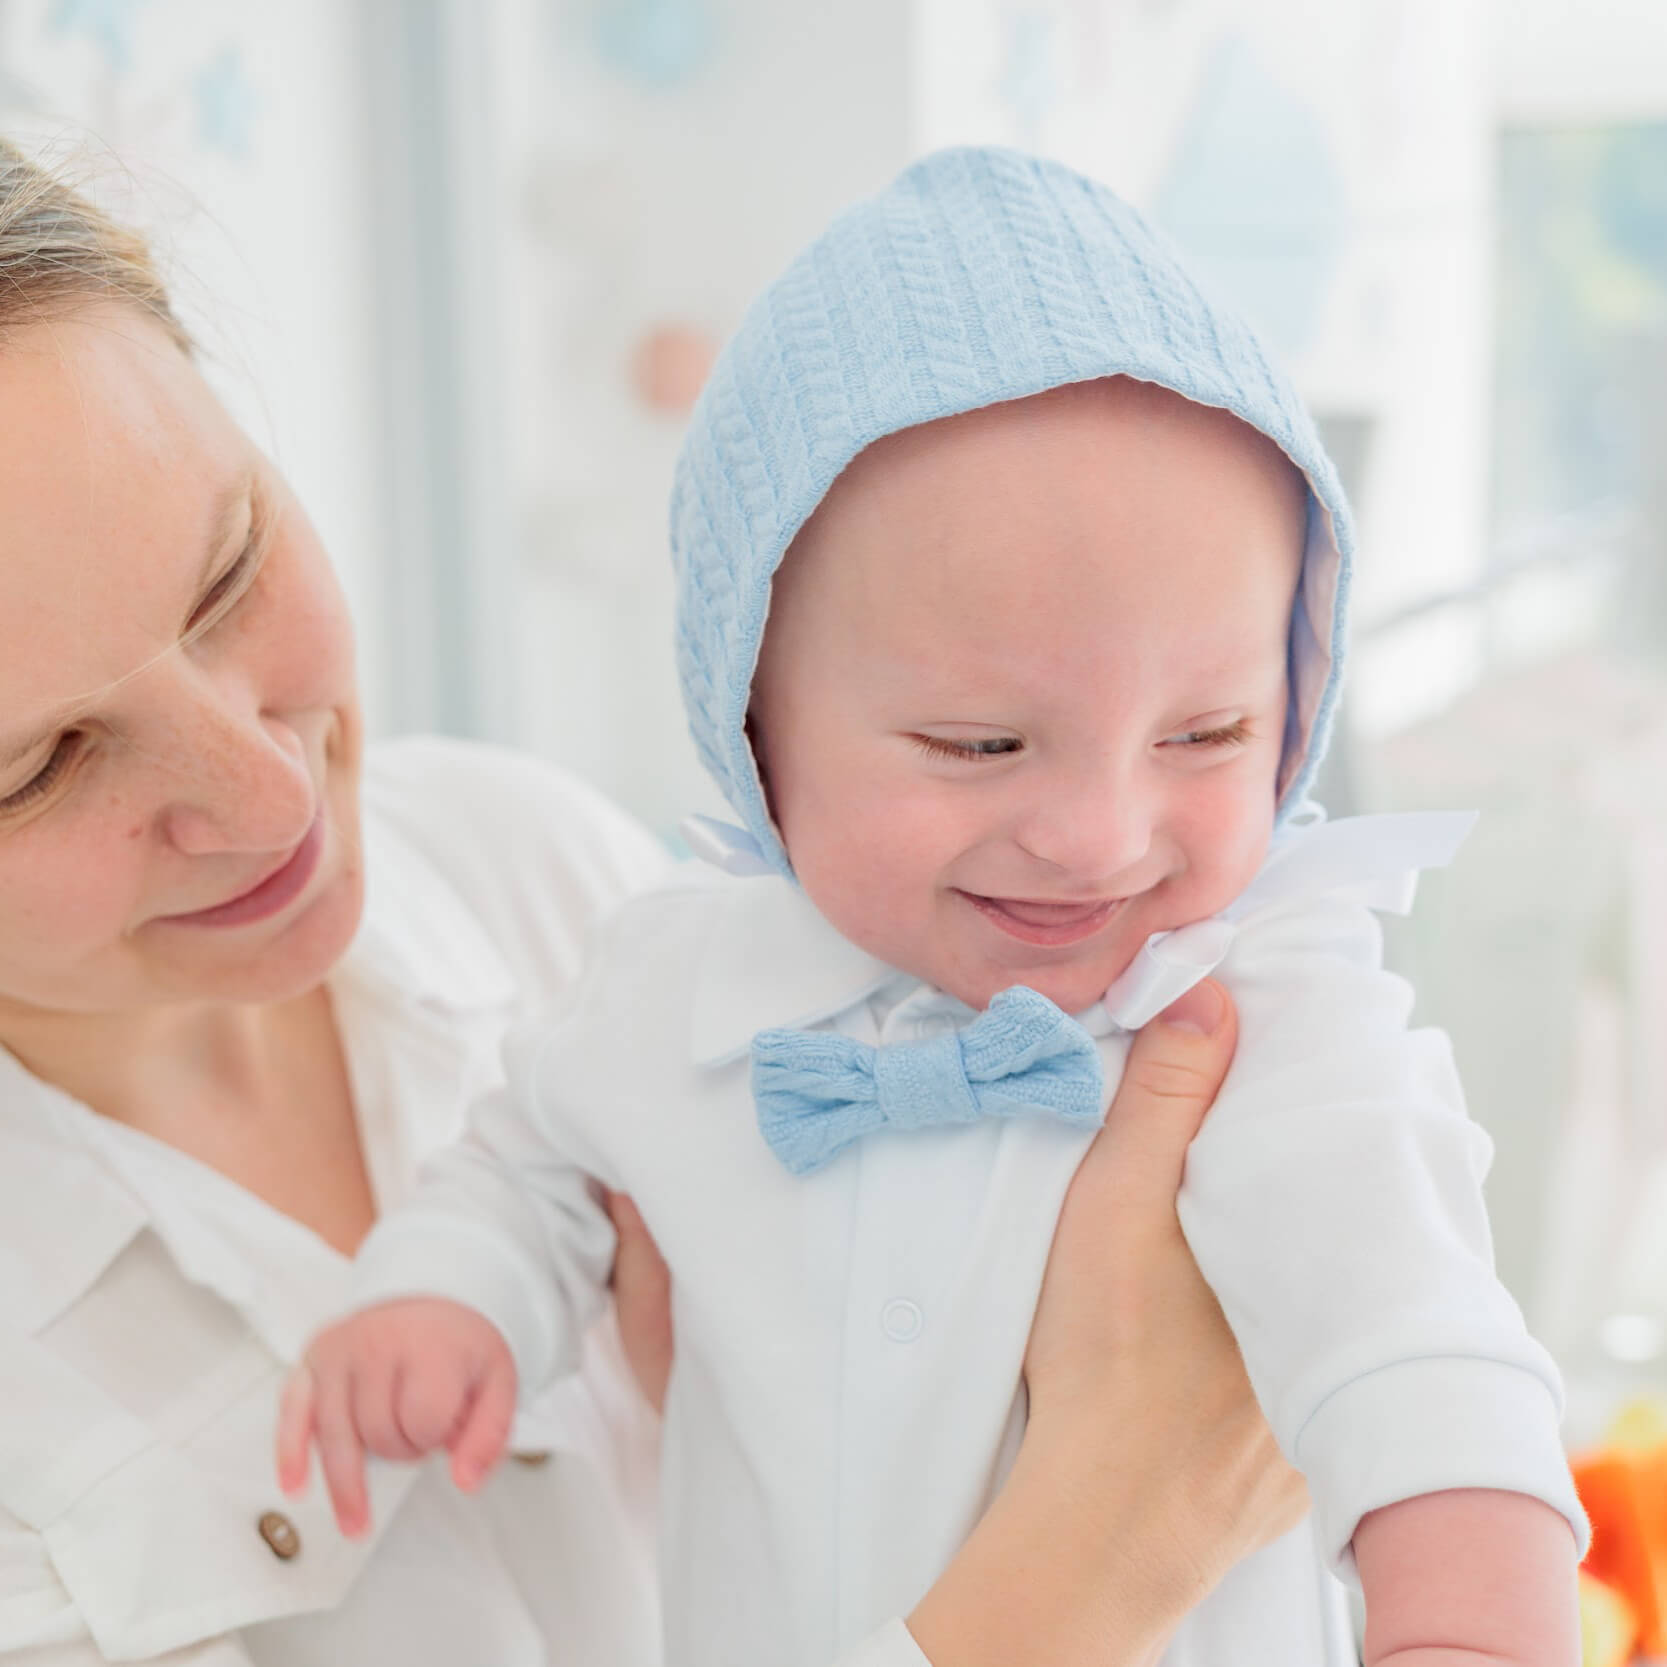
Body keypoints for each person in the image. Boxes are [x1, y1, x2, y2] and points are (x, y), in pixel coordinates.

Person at [0, 137, 1310, 1667]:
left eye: (230, 575)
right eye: (40, 767)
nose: (270, 794)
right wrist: (1114, 1538)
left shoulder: (524, 863)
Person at [295, 148, 1590, 1665]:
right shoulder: (673, 978)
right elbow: (527, 1163)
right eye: (980, 745)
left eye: (1207, 734)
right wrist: (448, 1294)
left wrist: (1470, 1622)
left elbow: (1415, 1340)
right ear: (752, 724)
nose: (1100, 836)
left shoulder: (1272, 1010)